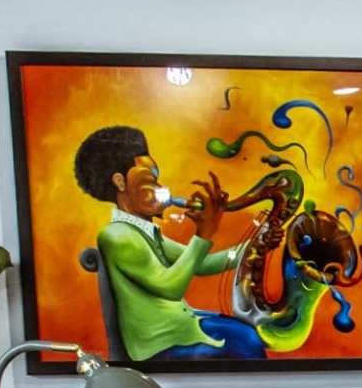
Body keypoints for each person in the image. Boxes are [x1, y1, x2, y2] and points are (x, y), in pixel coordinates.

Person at [72, 125, 265, 362]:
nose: (159, 186)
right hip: (159, 344)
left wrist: (256, 247)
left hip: (181, 327)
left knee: (248, 334)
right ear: (119, 182)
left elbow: (203, 265)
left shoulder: (141, 230)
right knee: (248, 341)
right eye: (149, 178)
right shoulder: (117, 236)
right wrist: (203, 235)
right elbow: (171, 288)